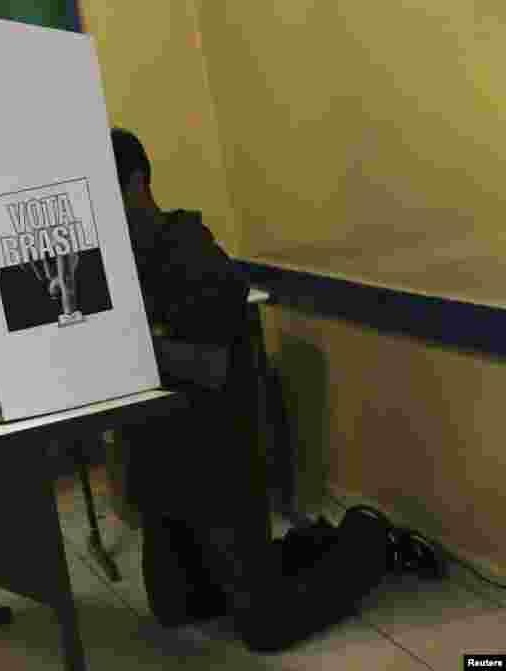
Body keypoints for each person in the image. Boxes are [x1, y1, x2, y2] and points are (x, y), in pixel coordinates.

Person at [109, 128, 390, 652]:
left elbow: (211, 366)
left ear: (137, 183)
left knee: (265, 628)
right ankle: (301, 550)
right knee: (177, 608)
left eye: (106, 190)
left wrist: (134, 342)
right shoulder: (125, 264)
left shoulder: (192, 253)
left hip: (219, 466)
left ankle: (369, 544)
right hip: (163, 465)